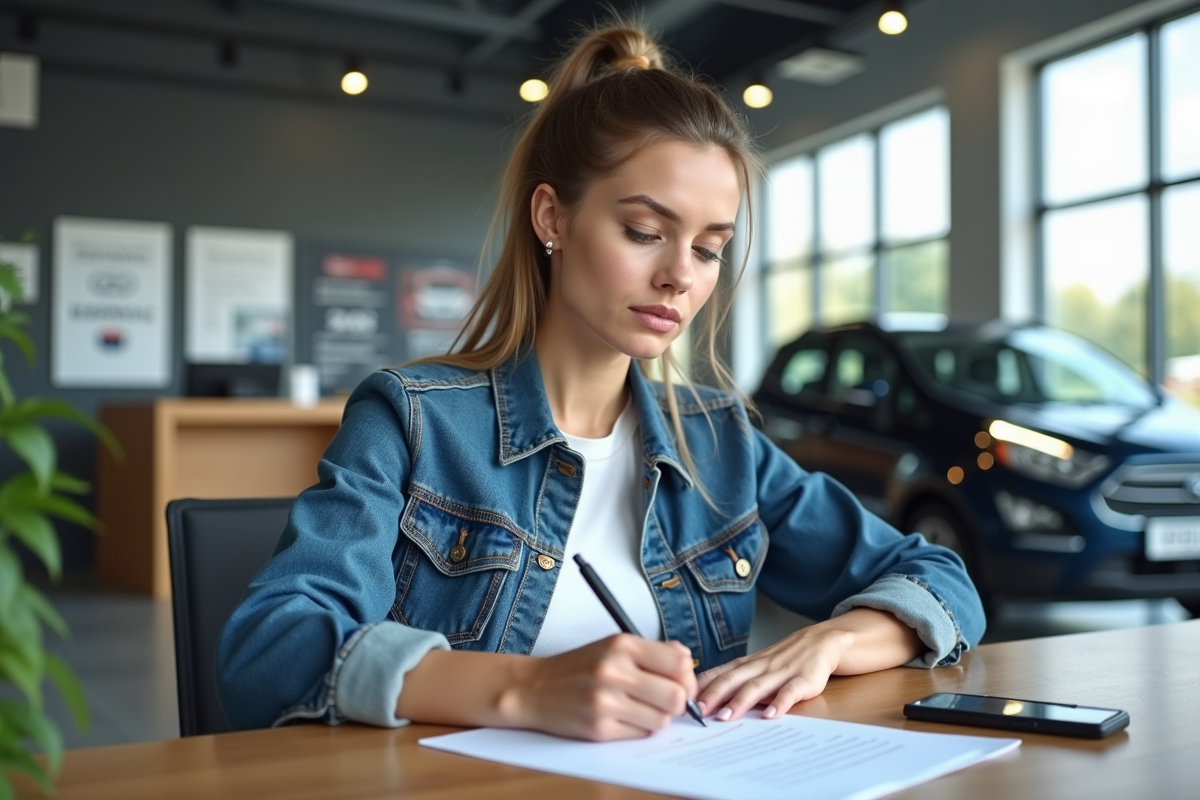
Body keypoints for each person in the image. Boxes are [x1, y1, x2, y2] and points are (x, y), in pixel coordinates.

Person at [217, 22, 985, 742]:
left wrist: (830, 642)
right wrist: (522, 690)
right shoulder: (414, 421)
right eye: (645, 232)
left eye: (710, 248)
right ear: (552, 218)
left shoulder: (719, 441)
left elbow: (940, 580)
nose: (680, 276)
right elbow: (267, 651)